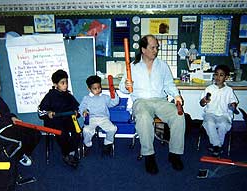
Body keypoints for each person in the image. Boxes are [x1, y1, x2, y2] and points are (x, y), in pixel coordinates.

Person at [119, 34, 185, 174]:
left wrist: (177, 95)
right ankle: (149, 156)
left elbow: (169, 84)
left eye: (157, 47)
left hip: (160, 100)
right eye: (153, 47)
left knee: (178, 116)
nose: (156, 50)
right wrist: (126, 85)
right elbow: (122, 88)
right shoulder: (132, 66)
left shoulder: (162, 66)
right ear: (143, 49)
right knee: (143, 117)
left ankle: (174, 154)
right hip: (141, 101)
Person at [0, 80, 41, 191]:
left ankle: (20, 155)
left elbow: (7, 113)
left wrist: (12, 117)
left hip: (7, 126)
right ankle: (11, 165)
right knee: (19, 142)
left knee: (35, 133)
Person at [38, 69, 81, 168]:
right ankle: (66, 154)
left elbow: (76, 109)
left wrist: (75, 112)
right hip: (54, 121)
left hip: (68, 119)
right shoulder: (50, 96)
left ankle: (71, 151)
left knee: (77, 132)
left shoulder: (68, 96)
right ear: (55, 84)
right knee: (63, 133)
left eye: (66, 82)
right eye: (62, 83)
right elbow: (40, 112)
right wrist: (48, 113)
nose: (65, 85)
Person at [199, 65, 238, 157]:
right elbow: (201, 103)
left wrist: (233, 105)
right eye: (216, 74)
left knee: (223, 124)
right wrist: (204, 101)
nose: (218, 77)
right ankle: (218, 145)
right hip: (210, 113)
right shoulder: (209, 89)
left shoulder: (229, 90)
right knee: (209, 123)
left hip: (224, 114)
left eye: (221, 75)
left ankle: (215, 146)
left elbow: (233, 102)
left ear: (226, 77)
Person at [79, 75, 119, 156]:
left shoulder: (105, 97)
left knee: (113, 128)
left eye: (99, 87)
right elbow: (82, 107)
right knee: (86, 130)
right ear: (89, 89)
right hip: (92, 119)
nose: (98, 90)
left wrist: (113, 93)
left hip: (104, 118)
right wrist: (84, 111)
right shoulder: (86, 98)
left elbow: (114, 103)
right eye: (95, 88)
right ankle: (87, 144)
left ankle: (107, 143)